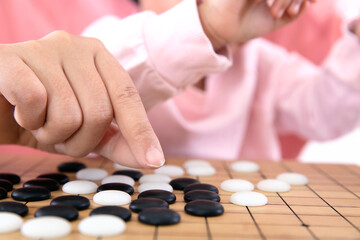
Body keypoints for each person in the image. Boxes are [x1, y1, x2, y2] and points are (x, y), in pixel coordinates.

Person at [2, 0, 359, 167]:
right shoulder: (110, 41)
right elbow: (94, 92)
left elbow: (323, 113)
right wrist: (206, 26)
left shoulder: (262, 63)